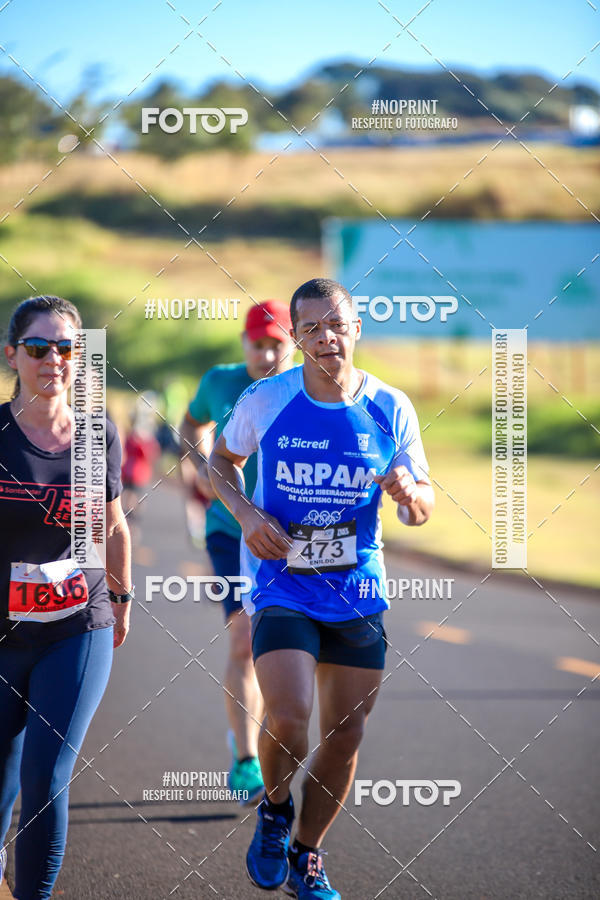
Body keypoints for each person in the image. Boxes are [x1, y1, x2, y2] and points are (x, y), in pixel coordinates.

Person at [208, 278, 434, 899]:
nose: (325, 337)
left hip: (356, 591)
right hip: (282, 584)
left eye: (335, 324)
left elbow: (423, 504)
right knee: (288, 715)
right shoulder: (267, 399)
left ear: (356, 327)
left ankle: (309, 853)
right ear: (296, 338)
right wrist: (248, 517)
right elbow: (220, 461)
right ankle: (275, 810)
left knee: (347, 734)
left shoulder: (391, 406)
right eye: (309, 328)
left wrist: (412, 498)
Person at [0, 296, 133, 899]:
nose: (53, 358)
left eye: (66, 347)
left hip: (78, 625)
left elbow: (112, 525)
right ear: (13, 355)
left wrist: (122, 599)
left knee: (46, 775)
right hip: (2, 633)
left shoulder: (97, 431)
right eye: (37, 347)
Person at [180, 300, 296, 803]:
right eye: (258, 343)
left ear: (292, 344)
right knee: (244, 639)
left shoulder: (307, 389)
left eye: (277, 343)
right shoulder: (220, 381)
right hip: (230, 531)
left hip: (294, 539)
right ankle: (247, 757)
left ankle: (275, 734)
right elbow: (190, 424)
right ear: (244, 342)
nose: (267, 353)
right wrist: (201, 468)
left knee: (290, 647)